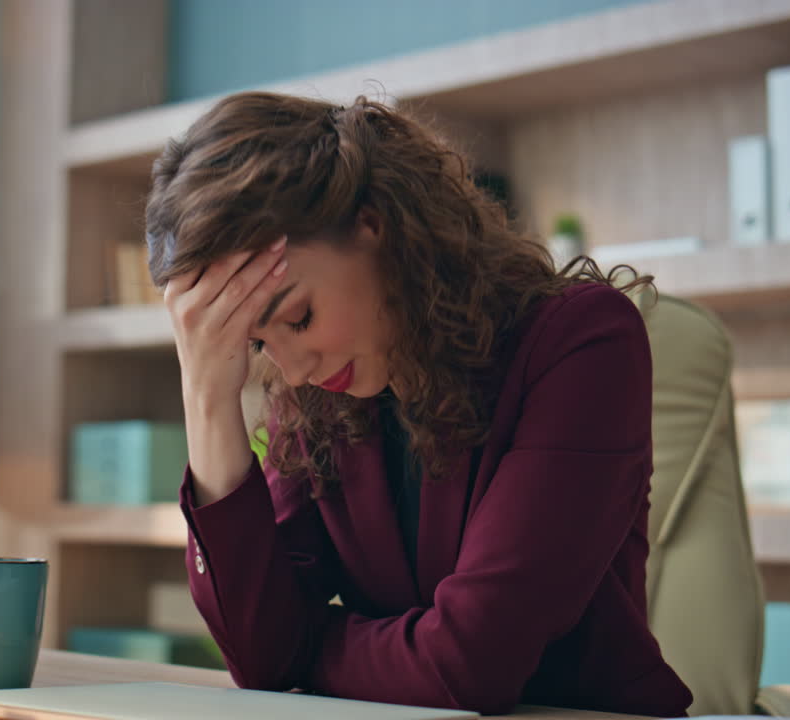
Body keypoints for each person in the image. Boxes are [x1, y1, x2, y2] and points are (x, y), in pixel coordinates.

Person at [144, 91, 693, 717]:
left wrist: (307, 649)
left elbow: (467, 666)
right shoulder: (325, 393)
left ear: (372, 223)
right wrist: (206, 396)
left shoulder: (583, 343)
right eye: (260, 342)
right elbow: (258, 653)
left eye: (298, 316)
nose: (292, 367)